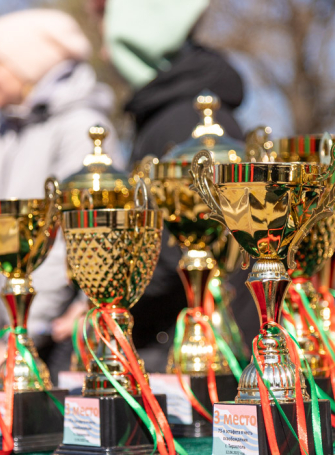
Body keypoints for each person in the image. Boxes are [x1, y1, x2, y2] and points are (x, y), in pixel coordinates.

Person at [0, 9, 123, 384]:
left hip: (54, 340)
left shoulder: (81, 129)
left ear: (26, 65)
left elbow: (67, 245)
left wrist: (23, 335)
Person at [100, 0, 259, 371]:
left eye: (109, 30)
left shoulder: (185, 119)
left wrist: (111, 300)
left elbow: (177, 248)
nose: (104, 52)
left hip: (197, 345)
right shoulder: (166, 111)